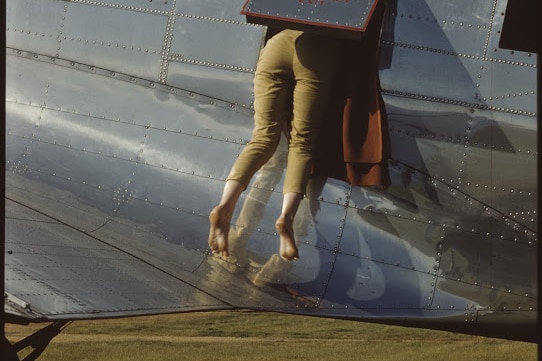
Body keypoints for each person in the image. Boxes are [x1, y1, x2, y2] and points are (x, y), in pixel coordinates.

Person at [208, 29, 339, 261]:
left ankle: (225, 204)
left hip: (276, 45)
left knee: (263, 138)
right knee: (302, 144)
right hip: (317, 48)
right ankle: (286, 217)